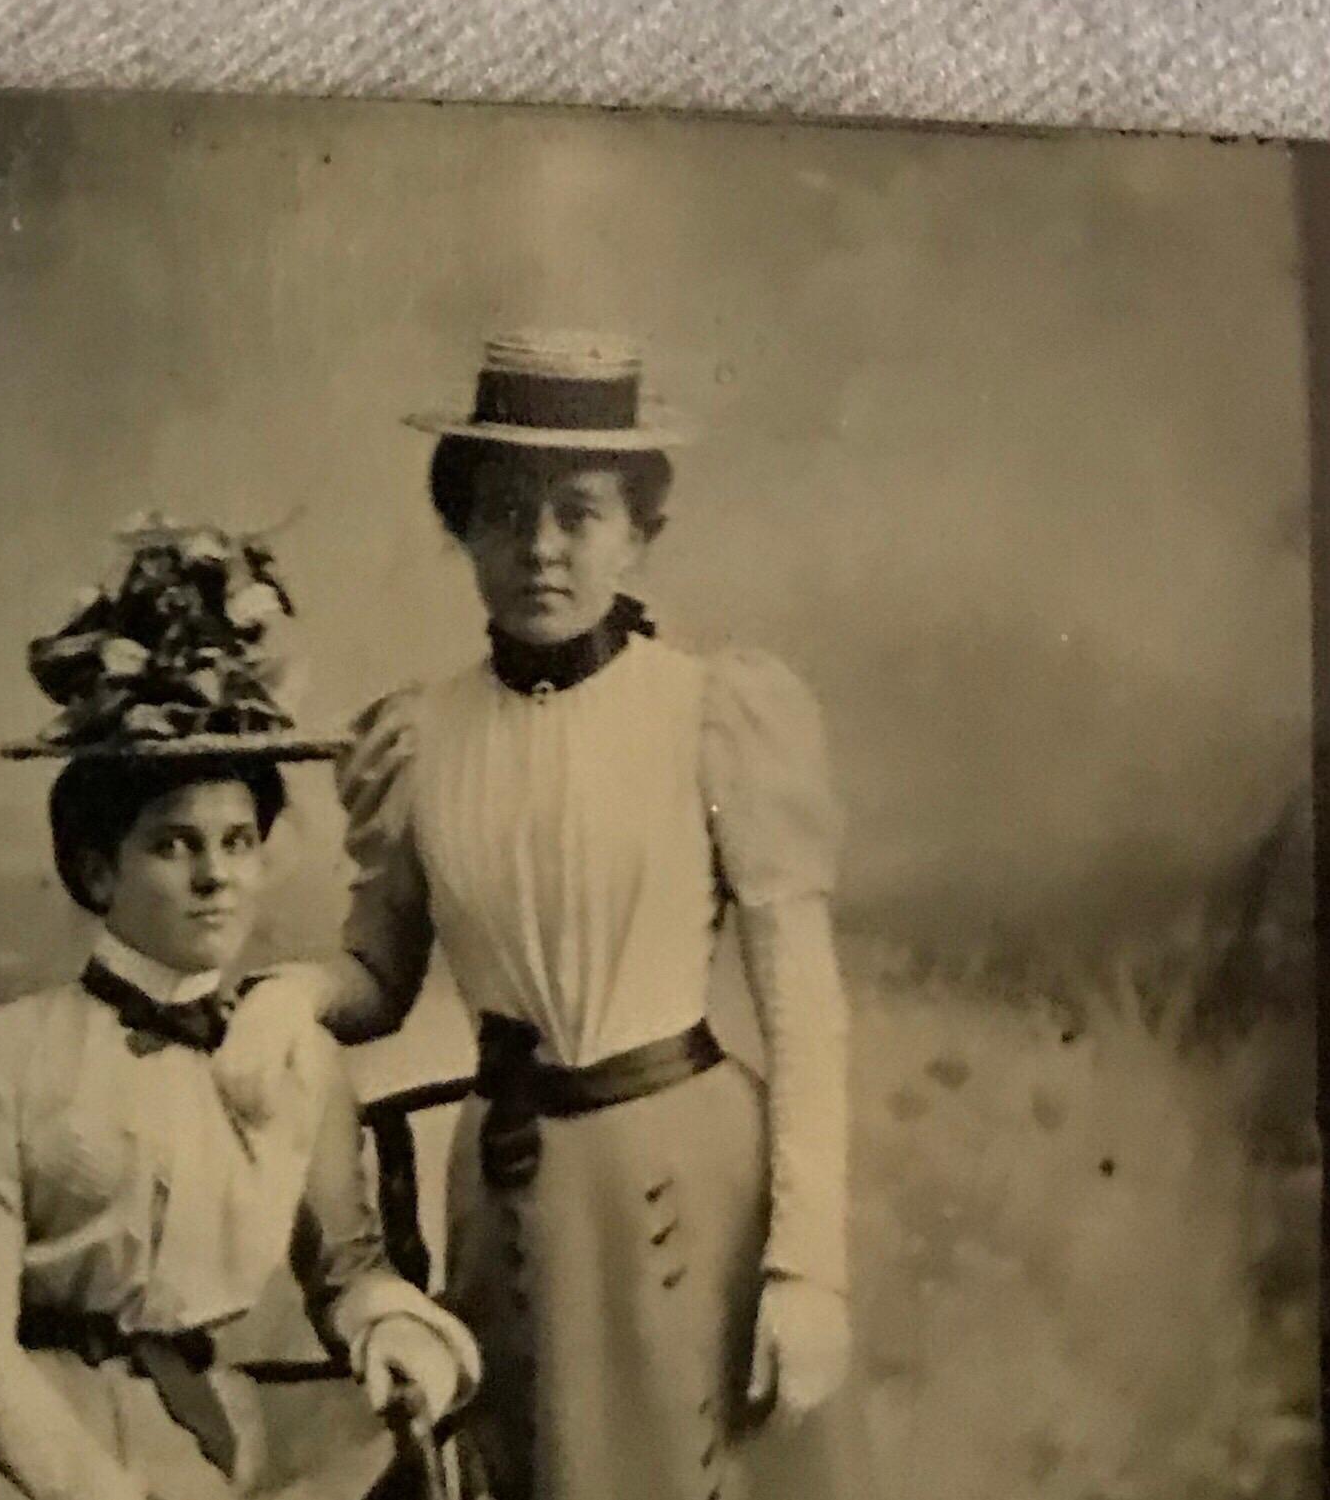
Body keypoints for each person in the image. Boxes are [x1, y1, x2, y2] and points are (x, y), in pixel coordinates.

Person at [214, 333, 863, 1500]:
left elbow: (803, 1007)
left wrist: (808, 1268)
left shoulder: (714, 713)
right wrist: (298, 990)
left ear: (639, 528)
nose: (542, 546)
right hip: (510, 1199)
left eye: (578, 511)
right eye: (507, 511)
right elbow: (380, 971)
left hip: (688, 1190)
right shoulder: (420, 738)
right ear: (462, 524)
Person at [0, 521, 482, 1500]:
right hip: (15, 1449)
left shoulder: (292, 1053)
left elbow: (346, 1274)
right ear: (98, 866)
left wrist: (390, 1327)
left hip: (202, 1432)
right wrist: (89, 1486)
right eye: (174, 845)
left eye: (237, 840)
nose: (217, 875)